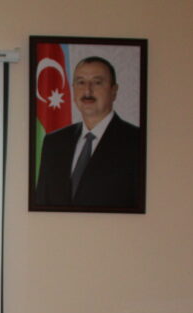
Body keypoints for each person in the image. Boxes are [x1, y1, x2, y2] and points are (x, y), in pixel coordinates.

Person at [34, 56, 142, 209]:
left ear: (114, 91)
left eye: (97, 82)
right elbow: (41, 204)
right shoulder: (54, 142)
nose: (87, 91)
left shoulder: (137, 142)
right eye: (81, 82)